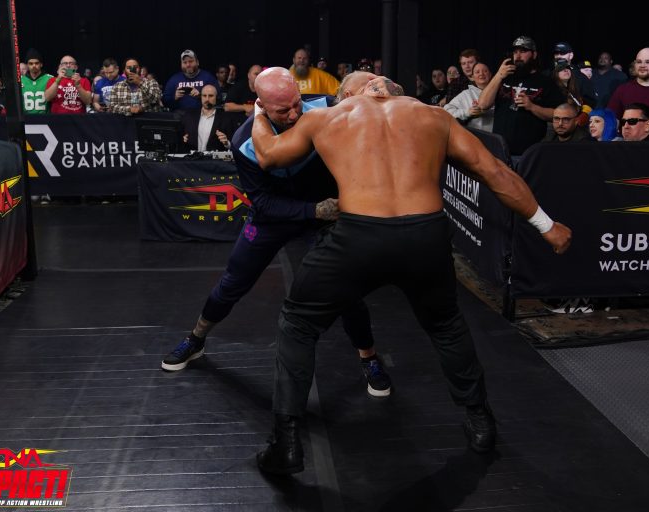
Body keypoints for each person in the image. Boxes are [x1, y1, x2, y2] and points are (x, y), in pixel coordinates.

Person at [250, 69, 571, 474]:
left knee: (298, 323)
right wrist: (547, 225)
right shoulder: (435, 117)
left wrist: (259, 111)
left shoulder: (328, 117)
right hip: (425, 234)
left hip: (359, 236)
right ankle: (480, 421)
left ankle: (286, 441)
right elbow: (496, 172)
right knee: (446, 326)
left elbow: (268, 155)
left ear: (350, 94)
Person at [160, 68, 393, 400]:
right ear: (261, 105)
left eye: (296, 104)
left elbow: (371, 109)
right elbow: (263, 203)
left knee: (346, 289)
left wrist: (377, 90)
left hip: (323, 214)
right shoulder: (244, 143)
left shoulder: (324, 106)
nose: (294, 114)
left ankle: (369, 358)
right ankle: (196, 338)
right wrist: (313, 210)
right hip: (278, 216)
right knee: (233, 282)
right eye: (283, 111)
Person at [181, 84, 240, 151]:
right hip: (193, 156)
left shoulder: (226, 118)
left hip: (215, 157)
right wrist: (183, 140)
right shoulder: (189, 116)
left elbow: (234, 144)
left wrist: (226, 143)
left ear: (216, 97)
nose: (207, 99)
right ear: (201, 97)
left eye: (211, 96)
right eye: (204, 95)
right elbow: (181, 138)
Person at [21, 48, 52, 115]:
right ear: (27, 65)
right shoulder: (20, 80)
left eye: (36, 63)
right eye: (31, 63)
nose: (34, 66)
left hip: (45, 118)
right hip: (25, 118)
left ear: (41, 64)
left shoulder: (50, 79)